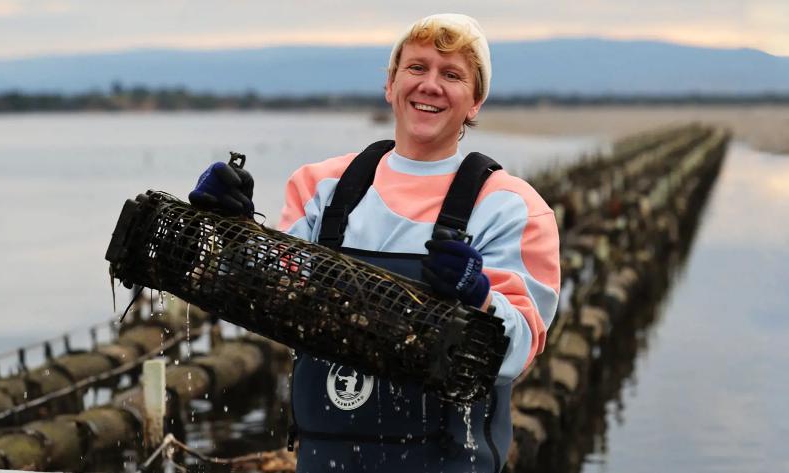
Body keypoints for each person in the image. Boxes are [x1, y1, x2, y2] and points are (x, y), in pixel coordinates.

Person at [189, 13, 560, 473]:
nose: (430, 85)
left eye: (452, 75)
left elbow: (518, 352)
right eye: (416, 67)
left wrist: (481, 297)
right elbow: (270, 296)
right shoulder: (322, 186)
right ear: (390, 84)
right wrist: (234, 232)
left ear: (475, 101)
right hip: (323, 459)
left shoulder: (511, 207)